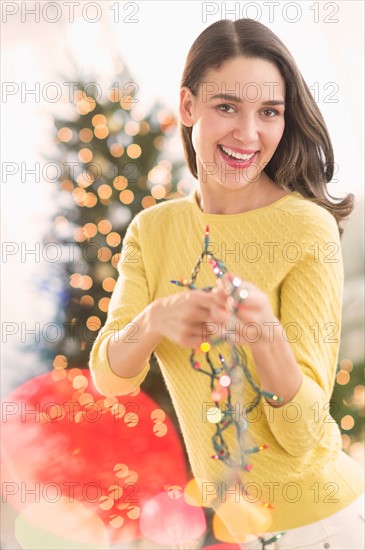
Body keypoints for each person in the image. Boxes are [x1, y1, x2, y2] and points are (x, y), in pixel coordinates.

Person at [89, 18, 364, 549]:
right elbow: (111, 379)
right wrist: (151, 322)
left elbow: (302, 434)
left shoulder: (306, 228)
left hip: (326, 523)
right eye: (226, 107)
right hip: (239, 530)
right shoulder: (153, 231)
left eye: (269, 112)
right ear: (188, 106)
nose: (249, 133)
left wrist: (266, 337)